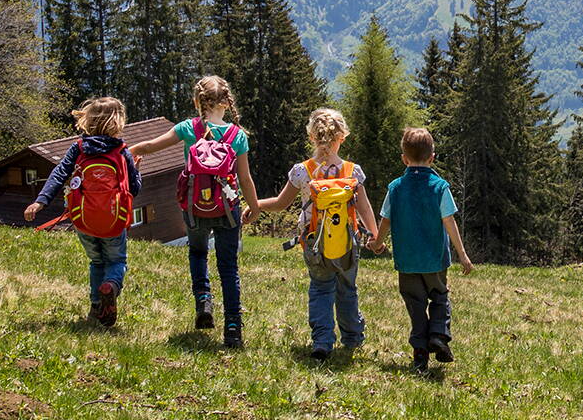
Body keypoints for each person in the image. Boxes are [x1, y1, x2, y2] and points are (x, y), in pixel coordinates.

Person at [130, 75, 261, 347]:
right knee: (228, 267)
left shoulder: (188, 128)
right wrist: (255, 206)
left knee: (198, 252)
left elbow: (152, 146)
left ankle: (203, 301)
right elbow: (245, 178)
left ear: (197, 102)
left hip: (194, 208)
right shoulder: (238, 136)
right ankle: (233, 328)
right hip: (228, 209)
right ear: (227, 102)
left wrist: (127, 151)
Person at [256, 108, 381, 361]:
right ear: (342, 137)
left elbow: (281, 203)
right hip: (347, 242)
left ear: (312, 138)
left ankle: (322, 341)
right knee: (347, 288)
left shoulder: (302, 171)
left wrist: (254, 205)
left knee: (321, 289)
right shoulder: (352, 172)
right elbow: (364, 207)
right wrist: (375, 236)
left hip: (314, 244)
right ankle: (353, 338)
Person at [25, 97, 141, 327]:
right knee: (116, 260)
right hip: (113, 220)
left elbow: (59, 174)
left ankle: (96, 307)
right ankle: (111, 286)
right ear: (117, 122)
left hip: (83, 220)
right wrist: (137, 170)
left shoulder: (78, 148)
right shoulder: (121, 151)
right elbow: (135, 188)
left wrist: (40, 202)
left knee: (96, 261)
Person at [368, 127, 473, 374]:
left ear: (404, 158)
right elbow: (449, 221)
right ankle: (438, 335)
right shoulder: (439, 187)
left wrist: (378, 244)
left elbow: (386, 220)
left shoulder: (395, 188)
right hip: (435, 260)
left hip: (406, 261)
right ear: (432, 157)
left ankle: (420, 355)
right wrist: (463, 255)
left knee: (415, 306)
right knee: (439, 296)